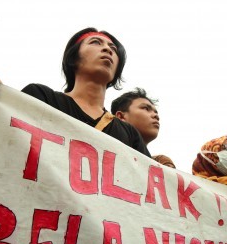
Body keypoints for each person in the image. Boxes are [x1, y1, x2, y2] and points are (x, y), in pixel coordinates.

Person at [22, 28, 150, 157]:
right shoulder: (41, 97)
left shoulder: (129, 134)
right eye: (95, 42)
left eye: (113, 49)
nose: (108, 49)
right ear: (73, 57)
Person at [110, 88, 175, 168]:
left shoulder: (160, 164)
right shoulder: (103, 146)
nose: (156, 116)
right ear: (121, 116)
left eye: (155, 112)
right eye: (146, 109)